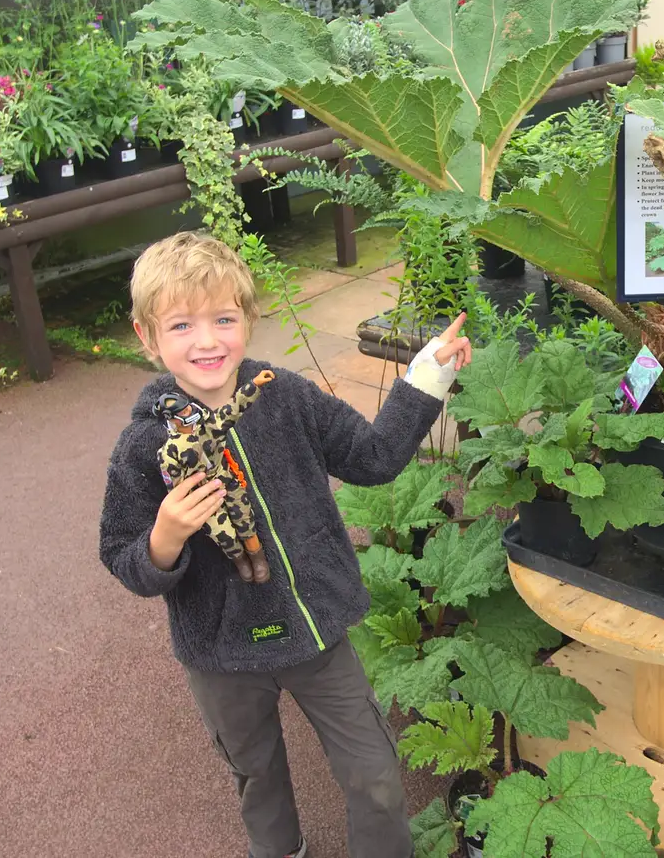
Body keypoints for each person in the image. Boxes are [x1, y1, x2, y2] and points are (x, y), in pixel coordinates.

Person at [98, 232, 470, 858]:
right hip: (220, 653)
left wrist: (427, 378)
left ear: (248, 317)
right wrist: (164, 537)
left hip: (315, 628)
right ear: (147, 336)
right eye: (182, 325)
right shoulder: (142, 449)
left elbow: (372, 457)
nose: (208, 340)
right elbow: (122, 555)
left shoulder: (285, 395)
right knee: (257, 778)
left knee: (375, 777)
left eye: (223, 318)